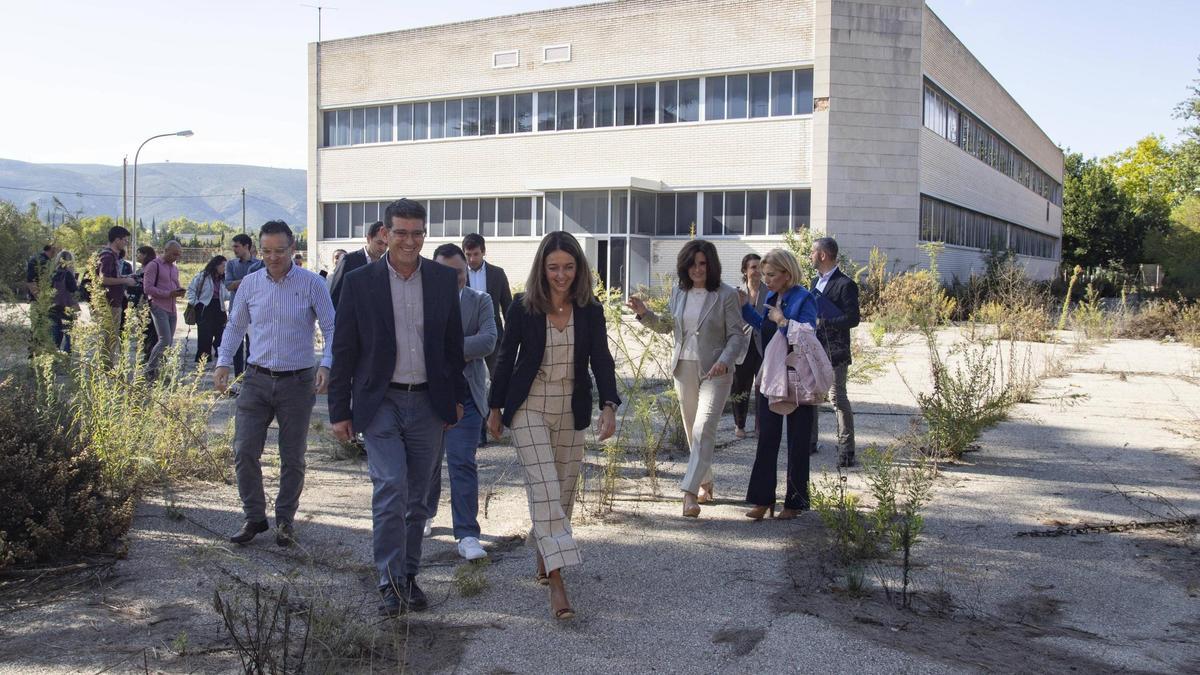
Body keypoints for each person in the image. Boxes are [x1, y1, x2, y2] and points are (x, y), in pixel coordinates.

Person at [328, 199, 467, 618]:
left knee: (419, 498)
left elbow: (452, 347)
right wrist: (339, 410)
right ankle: (388, 580)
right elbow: (345, 348)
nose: (410, 241)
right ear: (385, 234)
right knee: (391, 488)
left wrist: (456, 397)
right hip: (381, 401)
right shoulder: (359, 282)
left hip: (428, 401)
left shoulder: (444, 280)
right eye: (401, 232)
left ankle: (408, 574)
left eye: (417, 232)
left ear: (425, 234)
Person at [487, 231, 619, 621]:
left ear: (578, 269)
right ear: (541, 270)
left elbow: (602, 360)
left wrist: (608, 405)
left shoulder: (590, 310)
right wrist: (495, 407)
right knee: (544, 486)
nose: (560, 275)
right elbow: (505, 358)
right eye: (553, 268)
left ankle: (546, 552)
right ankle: (558, 583)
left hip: (570, 406)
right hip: (529, 406)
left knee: (562, 489)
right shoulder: (522, 307)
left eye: (568, 267)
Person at [215, 221, 334, 549]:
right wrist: (223, 362)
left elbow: (331, 326)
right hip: (256, 379)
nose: (273, 257)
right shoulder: (251, 285)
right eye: (266, 251)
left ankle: (285, 520)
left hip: (297, 382)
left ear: (293, 249)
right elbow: (235, 326)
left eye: (280, 251)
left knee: (292, 455)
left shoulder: (311, 284)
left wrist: (327, 364)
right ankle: (254, 516)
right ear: (259, 250)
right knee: (244, 450)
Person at [627, 240, 746, 518]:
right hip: (683, 367)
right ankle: (705, 482)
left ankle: (689, 493)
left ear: (711, 265)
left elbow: (737, 336)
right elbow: (668, 326)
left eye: (703, 263)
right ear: (685, 266)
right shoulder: (678, 292)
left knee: (704, 428)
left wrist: (724, 362)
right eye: (692, 264)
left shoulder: (726, 294)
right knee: (694, 429)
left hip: (716, 371)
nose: (697, 269)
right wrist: (644, 313)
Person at [425, 242, 496, 561]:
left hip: (466, 394)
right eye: (448, 272)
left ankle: (467, 533)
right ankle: (424, 513)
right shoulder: (422, 300)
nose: (456, 277)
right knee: (426, 463)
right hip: (426, 393)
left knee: (462, 462)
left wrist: (445, 347)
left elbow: (489, 340)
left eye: (461, 272)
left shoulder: (480, 300)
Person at [740, 248, 817, 520]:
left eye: (771, 275)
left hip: (797, 377)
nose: (766, 280)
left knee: (798, 441)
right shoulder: (773, 296)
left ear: (787, 273)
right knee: (767, 438)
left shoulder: (804, 297)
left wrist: (783, 321)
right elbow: (765, 327)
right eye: (764, 275)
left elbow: (808, 335)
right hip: (771, 375)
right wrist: (745, 308)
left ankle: (794, 503)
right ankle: (762, 500)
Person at [809, 237, 860, 467]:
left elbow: (853, 318)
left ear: (822, 255)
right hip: (813, 349)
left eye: (812, 252)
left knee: (837, 397)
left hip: (835, 350)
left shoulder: (845, 284)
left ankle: (846, 451)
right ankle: (809, 443)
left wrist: (825, 322)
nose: (810, 255)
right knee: (811, 396)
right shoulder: (813, 282)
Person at [463, 232, 512, 445]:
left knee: (496, 380)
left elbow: (507, 306)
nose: (472, 259)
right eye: (468, 255)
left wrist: (511, 337)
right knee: (472, 383)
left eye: (475, 254)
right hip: (466, 341)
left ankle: (496, 419)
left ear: (483, 252)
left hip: (493, 339)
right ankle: (478, 430)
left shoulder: (497, 274)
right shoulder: (457, 274)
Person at [731, 253, 767, 439]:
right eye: (753, 267)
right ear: (745, 270)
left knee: (762, 388)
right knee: (740, 388)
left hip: (763, 347)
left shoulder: (770, 292)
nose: (757, 270)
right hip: (742, 346)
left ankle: (760, 427)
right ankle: (740, 425)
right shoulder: (736, 293)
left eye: (759, 266)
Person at [142, 241, 185, 377]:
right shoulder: (154, 265)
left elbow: (174, 284)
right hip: (158, 305)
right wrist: (168, 294)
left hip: (172, 307)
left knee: (169, 342)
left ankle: (161, 371)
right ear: (165, 250)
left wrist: (179, 291)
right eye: (174, 254)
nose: (176, 257)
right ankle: (149, 369)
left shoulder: (174, 268)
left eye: (178, 255)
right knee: (164, 339)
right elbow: (147, 288)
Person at [224, 233, 263, 379]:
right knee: (236, 345)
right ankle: (238, 377)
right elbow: (228, 285)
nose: (234, 249)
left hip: (254, 310)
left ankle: (249, 375)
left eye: (236, 246)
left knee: (252, 344)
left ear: (246, 246)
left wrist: (239, 283)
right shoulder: (231, 264)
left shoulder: (259, 265)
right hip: (236, 308)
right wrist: (248, 281)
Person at [328, 220, 389, 309]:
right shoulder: (348, 260)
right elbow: (335, 295)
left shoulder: (386, 265)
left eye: (386, 245)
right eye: (379, 243)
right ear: (369, 239)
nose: (383, 248)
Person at [96, 227, 138, 346]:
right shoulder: (107, 256)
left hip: (114, 301)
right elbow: (103, 279)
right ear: (117, 240)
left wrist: (127, 277)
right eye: (124, 240)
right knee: (110, 339)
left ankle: (110, 363)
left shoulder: (112, 255)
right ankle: (108, 364)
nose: (126, 243)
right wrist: (125, 280)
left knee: (112, 338)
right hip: (110, 302)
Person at [187, 255, 230, 365]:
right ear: (216, 265)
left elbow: (226, 294)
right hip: (204, 307)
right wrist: (196, 304)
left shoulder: (224, 279)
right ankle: (203, 360)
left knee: (221, 333)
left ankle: (219, 355)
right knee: (205, 335)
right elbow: (191, 290)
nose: (224, 268)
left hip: (219, 308)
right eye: (222, 266)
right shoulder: (203, 276)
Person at [129, 246, 159, 360]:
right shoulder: (143, 268)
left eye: (139, 254)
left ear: (145, 254)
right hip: (141, 302)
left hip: (148, 302)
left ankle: (150, 354)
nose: (137, 256)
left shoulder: (151, 267)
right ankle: (147, 353)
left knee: (150, 329)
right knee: (144, 328)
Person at [49, 250, 79, 352]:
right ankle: (66, 360)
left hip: (53, 307)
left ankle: (54, 358)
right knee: (69, 336)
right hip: (66, 308)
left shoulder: (52, 274)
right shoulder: (68, 274)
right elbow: (73, 290)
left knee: (55, 336)